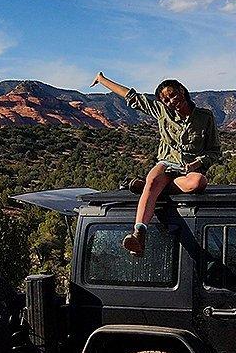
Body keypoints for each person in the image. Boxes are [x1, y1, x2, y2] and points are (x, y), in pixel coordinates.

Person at [91, 72, 220, 257]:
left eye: (173, 95)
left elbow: (215, 151)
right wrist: (102, 80)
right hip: (166, 163)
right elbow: (131, 97)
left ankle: (150, 189)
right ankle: (139, 234)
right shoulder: (161, 111)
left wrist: (197, 163)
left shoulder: (205, 117)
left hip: (188, 170)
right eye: (165, 99)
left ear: (182, 91)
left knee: (199, 183)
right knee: (153, 180)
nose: (170, 101)